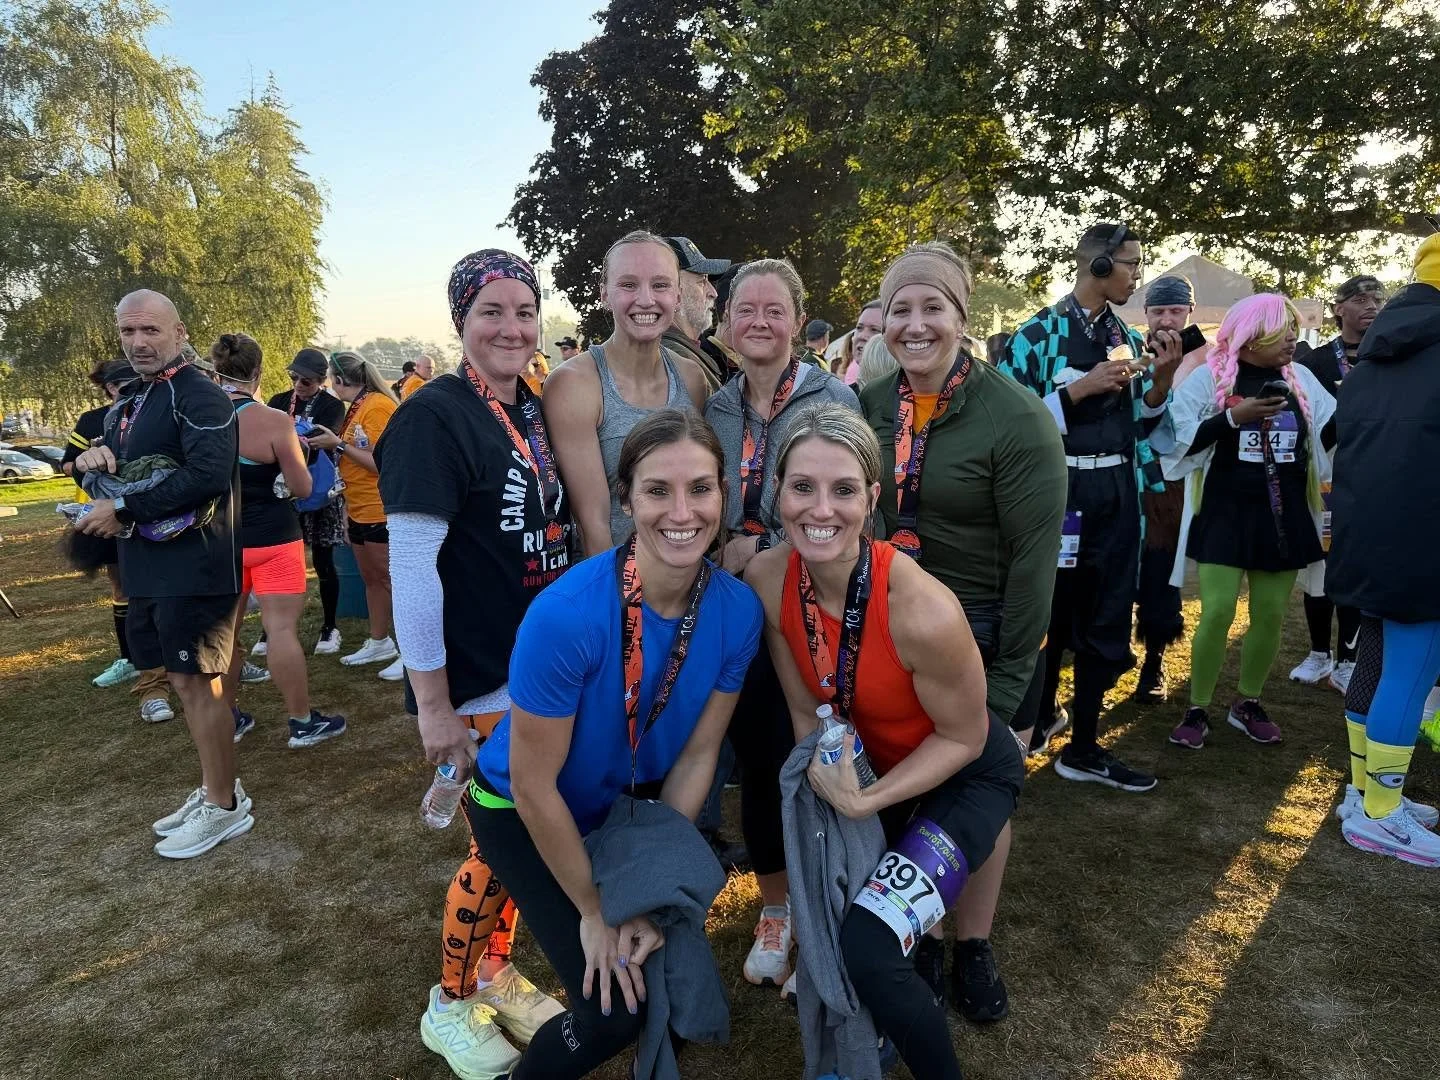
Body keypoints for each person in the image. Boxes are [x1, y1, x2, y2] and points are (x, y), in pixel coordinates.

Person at [457, 408, 762, 1078]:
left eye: (700, 488)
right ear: (625, 499)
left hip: (627, 804)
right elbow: (535, 787)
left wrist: (651, 889)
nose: (681, 511)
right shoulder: (567, 616)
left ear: (723, 495)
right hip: (521, 807)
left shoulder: (738, 612)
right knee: (609, 1011)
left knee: (666, 964)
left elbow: (697, 756)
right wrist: (596, 912)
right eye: (657, 490)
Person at [746, 404, 1023, 1080]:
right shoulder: (766, 578)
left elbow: (965, 735)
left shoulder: (922, 609)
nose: (822, 508)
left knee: (865, 949)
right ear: (776, 493)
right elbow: (809, 715)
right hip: (873, 777)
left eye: (843, 489)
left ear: (872, 499)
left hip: (961, 777)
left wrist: (866, 805)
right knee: (835, 937)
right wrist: (837, 810)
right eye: (802, 487)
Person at [379, 249, 576, 1078]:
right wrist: (433, 702)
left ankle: (493, 970)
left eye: (524, 311)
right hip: (480, 679)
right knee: (498, 849)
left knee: (524, 840)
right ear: (460, 320)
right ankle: (451, 1003)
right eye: (491, 311)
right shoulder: (434, 415)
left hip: (542, 672)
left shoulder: (532, 408)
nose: (511, 327)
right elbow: (412, 566)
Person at [860, 242, 1065, 1020]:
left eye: (932, 307)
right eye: (901, 308)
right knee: (904, 786)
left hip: (981, 636)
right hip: (886, 627)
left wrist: (1007, 689)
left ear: (960, 317)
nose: (915, 325)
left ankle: (972, 942)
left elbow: (1033, 569)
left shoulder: (1014, 418)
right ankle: (914, 931)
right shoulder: (868, 403)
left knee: (976, 794)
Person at [702, 258, 860, 991]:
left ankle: (830, 906)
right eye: (745, 309)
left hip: (812, 607)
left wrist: (759, 549)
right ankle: (775, 907)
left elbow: (849, 512)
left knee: (818, 755)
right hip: (739, 613)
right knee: (760, 758)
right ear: (725, 322)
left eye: (774, 309)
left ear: (799, 320)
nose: (758, 321)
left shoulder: (834, 399)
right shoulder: (718, 405)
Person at [1000, 223, 1183, 792]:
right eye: (1131, 264)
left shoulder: (1123, 334)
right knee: (1051, 612)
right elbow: (1006, 418)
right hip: (1060, 495)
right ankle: (1037, 721)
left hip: (1117, 492)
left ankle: (1083, 746)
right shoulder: (1038, 333)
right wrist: (1077, 391)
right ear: (1099, 266)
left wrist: (1164, 377)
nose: (1137, 276)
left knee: (1107, 612)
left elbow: (1144, 416)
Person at [73, 289, 247, 859]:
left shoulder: (198, 393)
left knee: (201, 685)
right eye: (128, 331)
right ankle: (216, 789)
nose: (139, 342)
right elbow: (121, 471)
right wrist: (92, 464)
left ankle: (224, 807)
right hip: (151, 563)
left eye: (150, 330)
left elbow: (207, 474)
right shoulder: (136, 400)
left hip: (196, 566)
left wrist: (122, 510)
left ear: (179, 330)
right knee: (184, 682)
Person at [1161, 295, 1334, 749]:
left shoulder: (1301, 380)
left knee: (1271, 615)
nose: (1293, 338)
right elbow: (1174, 442)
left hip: (1285, 517)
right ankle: (1196, 708)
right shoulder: (1210, 377)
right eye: (1283, 330)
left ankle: (1248, 702)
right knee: (1216, 612)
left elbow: (1329, 436)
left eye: (1294, 329)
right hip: (1225, 514)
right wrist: (1231, 418)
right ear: (1251, 336)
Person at [1328, 234, 1440, 866]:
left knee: (1374, 661)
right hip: (1423, 536)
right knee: (1410, 670)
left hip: (1366, 534)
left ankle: (1365, 792)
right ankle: (1381, 812)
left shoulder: (1372, 355)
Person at [210, 333, 346, 748]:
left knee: (225, 635)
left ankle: (226, 718)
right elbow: (303, 487)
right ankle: (301, 721)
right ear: (258, 372)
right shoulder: (273, 420)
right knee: (281, 628)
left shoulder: (197, 419)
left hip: (221, 540)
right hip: (275, 538)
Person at [543, 230, 708, 555]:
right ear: (604, 293)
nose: (645, 299)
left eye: (660, 285)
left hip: (685, 578)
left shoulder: (691, 378)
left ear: (677, 295)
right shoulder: (575, 384)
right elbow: (593, 524)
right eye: (628, 285)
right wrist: (621, 602)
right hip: (613, 586)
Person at [1290, 274, 1386, 693]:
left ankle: (1348, 661)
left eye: (1378, 300)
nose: (1371, 307)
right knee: (1319, 569)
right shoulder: (1316, 363)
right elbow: (1303, 428)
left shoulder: (1389, 355)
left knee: (1354, 569)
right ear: (1338, 309)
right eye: (1361, 300)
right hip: (1324, 479)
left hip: (1375, 481)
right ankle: (1318, 655)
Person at [306, 351, 402, 680]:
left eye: (332, 379)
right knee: (372, 581)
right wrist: (347, 510)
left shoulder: (377, 406)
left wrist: (338, 444)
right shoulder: (359, 406)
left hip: (381, 508)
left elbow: (380, 462)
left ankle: (410, 650)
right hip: (359, 507)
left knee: (392, 582)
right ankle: (380, 641)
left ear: (342, 380)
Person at [1135, 275, 1207, 699]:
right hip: (1127, 481)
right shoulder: (1125, 351)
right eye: (1158, 310)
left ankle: (1154, 663)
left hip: (1176, 488)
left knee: (1163, 578)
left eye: (1175, 310)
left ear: (1189, 312)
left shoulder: (1210, 361)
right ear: (1145, 313)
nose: (1166, 319)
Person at [265, 347, 348, 655]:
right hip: (283, 492)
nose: (299, 385)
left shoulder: (331, 405)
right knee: (282, 562)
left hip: (320, 491)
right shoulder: (277, 402)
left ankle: (330, 626)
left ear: (320, 380)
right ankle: (272, 628)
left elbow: (321, 439)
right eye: (295, 378)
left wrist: (286, 440)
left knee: (323, 561)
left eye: (307, 381)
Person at [660, 235, 732, 392]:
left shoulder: (681, 354)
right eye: (701, 282)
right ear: (672, 292)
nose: (713, 293)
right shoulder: (674, 361)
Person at [841, 300, 882, 386]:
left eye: (874, 330)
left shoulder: (908, 392)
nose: (861, 336)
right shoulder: (846, 395)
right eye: (859, 328)